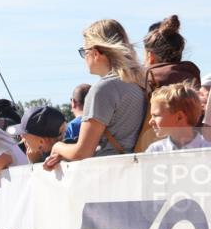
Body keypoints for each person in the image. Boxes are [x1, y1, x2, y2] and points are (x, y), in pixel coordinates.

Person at [44, 19, 146, 170]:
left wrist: (58, 147)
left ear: (96, 53)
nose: (84, 57)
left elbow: (82, 152)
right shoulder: (139, 82)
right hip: (136, 167)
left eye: (84, 52)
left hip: (108, 171)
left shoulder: (103, 89)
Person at [141, 15, 202, 150]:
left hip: (159, 147)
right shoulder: (192, 75)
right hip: (195, 146)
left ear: (150, 56)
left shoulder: (147, 78)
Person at [145, 83, 211, 152]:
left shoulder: (207, 148)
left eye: (156, 115)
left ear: (179, 117)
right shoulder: (155, 150)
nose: (150, 122)